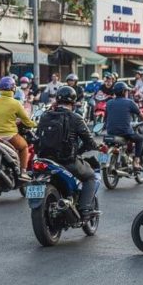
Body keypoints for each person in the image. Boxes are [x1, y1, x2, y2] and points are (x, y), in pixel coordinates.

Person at [34, 87, 99, 217]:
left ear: (57, 100)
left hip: (44, 160)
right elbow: (90, 142)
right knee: (91, 176)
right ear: (74, 102)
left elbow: (37, 137)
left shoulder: (45, 116)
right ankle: (85, 209)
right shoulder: (75, 117)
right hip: (67, 161)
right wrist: (82, 150)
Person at [0, 76, 37, 179]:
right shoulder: (16, 103)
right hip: (8, 135)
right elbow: (27, 121)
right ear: (13, 88)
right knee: (24, 147)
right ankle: (23, 171)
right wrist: (36, 124)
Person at [103, 82, 143, 170]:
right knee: (139, 139)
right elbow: (141, 114)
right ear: (124, 92)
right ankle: (136, 162)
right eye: (126, 91)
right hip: (125, 132)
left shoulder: (109, 103)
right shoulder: (129, 102)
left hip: (110, 132)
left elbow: (107, 117)